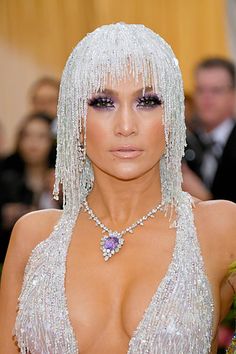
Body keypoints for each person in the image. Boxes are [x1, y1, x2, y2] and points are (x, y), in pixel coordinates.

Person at [0, 23, 236, 354]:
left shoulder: (222, 227)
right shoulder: (33, 237)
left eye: (148, 101)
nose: (126, 126)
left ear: (173, 116)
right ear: (75, 120)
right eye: (103, 102)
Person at [0, 113, 59, 263]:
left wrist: (61, 195)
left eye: (41, 137)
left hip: (54, 257)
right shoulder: (5, 175)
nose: (33, 143)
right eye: (27, 136)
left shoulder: (64, 177)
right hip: (10, 255)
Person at [184, 58, 236, 202]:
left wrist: (204, 198)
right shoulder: (184, 142)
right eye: (200, 90)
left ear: (233, 95)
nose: (207, 98)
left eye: (216, 90)